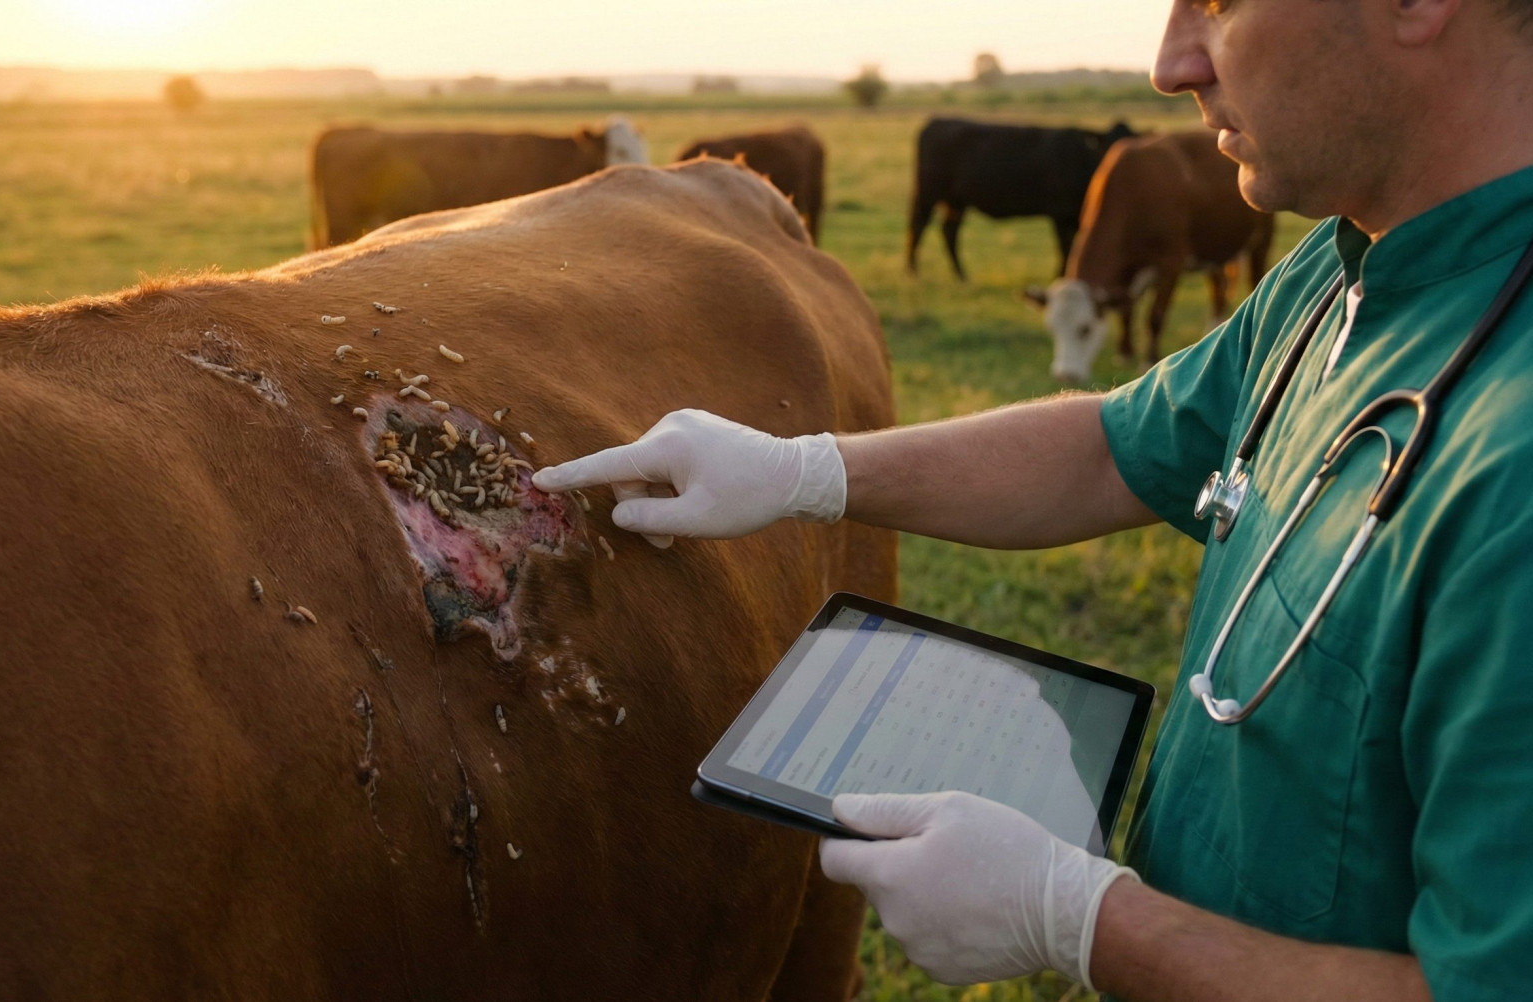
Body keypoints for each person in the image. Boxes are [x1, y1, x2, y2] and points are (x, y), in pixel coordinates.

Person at [531, 0, 1533, 998]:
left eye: (1219, 5)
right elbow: (1115, 448)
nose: (1170, 63)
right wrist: (805, 470)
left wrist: (1083, 920)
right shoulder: (1351, 261)